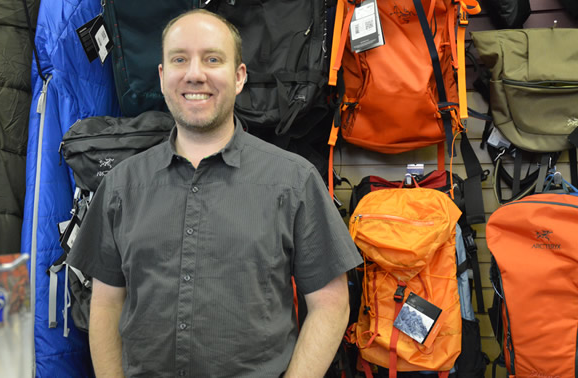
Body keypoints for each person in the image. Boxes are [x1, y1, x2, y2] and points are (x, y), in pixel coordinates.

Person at [67, 9, 362, 378]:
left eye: (212, 59)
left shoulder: (294, 181)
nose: (195, 74)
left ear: (239, 77)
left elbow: (331, 305)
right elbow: (106, 304)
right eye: (179, 59)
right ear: (162, 77)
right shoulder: (120, 186)